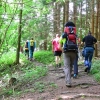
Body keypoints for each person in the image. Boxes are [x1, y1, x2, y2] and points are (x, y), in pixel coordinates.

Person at [59, 22, 77, 87]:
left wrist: (63, 50)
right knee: (70, 66)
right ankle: (69, 80)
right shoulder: (75, 35)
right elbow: (79, 43)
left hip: (66, 52)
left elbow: (59, 46)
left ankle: (68, 81)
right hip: (74, 52)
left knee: (66, 67)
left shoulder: (63, 35)